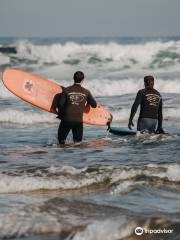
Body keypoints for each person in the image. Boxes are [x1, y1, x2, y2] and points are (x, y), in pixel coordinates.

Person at [57, 71, 97, 144]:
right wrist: (87, 103)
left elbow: (60, 105)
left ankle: (62, 154)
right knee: (78, 143)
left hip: (66, 119)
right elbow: (94, 105)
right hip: (78, 121)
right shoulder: (86, 92)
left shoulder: (66, 90)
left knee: (61, 141)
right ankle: (76, 155)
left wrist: (61, 114)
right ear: (83, 80)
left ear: (73, 78)